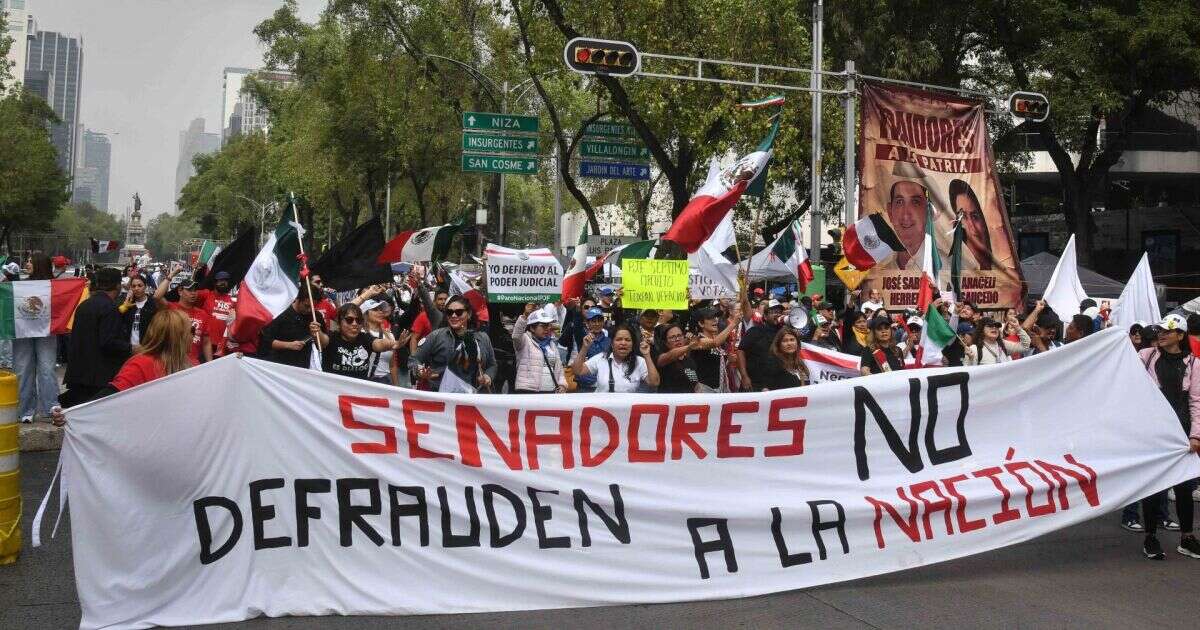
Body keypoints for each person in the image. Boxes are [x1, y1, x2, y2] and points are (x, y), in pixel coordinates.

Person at [50, 309, 197, 426]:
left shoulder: (193, 364)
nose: (194, 336)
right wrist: (70, 414)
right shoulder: (141, 365)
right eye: (192, 331)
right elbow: (107, 398)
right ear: (177, 337)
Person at [1135, 313, 1200, 560]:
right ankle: (1150, 536)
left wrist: (1195, 435)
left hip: (1181, 434)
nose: (1161, 335)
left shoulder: (1194, 364)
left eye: (1167, 331)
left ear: (1180, 335)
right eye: (1159, 331)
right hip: (1152, 433)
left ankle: (1187, 537)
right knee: (1153, 487)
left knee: (1184, 488)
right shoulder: (1145, 356)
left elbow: (1196, 401)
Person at [60, 267, 133, 407]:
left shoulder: (84, 306)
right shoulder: (110, 308)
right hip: (99, 378)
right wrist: (131, 348)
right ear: (118, 285)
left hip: (78, 373)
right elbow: (107, 342)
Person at [410, 295, 497, 391]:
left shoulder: (483, 338)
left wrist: (488, 376)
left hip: (472, 399)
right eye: (449, 312)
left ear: (469, 314)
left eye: (459, 312)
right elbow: (414, 359)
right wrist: (420, 371)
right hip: (441, 397)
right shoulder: (436, 336)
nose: (454, 315)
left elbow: (492, 364)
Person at [12, 253, 60, 422]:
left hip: (46, 332)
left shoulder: (55, 286)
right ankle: (24, 410)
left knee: (47, 369)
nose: (27, 263)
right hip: (22, 331)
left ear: (40, 264)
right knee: (23, 369)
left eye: (31, 261)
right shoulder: (18, 285)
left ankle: (51, 408)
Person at [311, 303, 406, 380]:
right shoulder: (332, 337)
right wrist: (317, 332)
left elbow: (379, 344)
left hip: (357, 395)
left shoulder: (364, 338)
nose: (354, 324)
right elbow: (322, 341)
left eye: (358, 320)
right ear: (339, 323)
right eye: (349, 320)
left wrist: (394, 344)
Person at [572, 324, 659, 393]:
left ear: (633, 344)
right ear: (612, 344)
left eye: (627, 340)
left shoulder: (640, 361)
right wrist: (585, 348)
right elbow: (577, 371)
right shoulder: (601, 358)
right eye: (619, 339)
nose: (623, 343)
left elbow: (654, 382)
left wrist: (647, 355)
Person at [259, 280, 326, 369]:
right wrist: (289, 345)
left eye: (313, 307)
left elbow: (325, 343)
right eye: (306, 306)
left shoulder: (316, 316)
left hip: (303, 368)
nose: (310, 310)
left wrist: (319, 333)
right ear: (298, 299)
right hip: (279, 366)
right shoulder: (281, 313)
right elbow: (266, 342)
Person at [154, 274, 214, 364]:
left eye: (195, 290)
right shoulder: (171, 308)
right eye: (189, 290)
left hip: (193, 365)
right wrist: (172, 274)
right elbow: (157, 296)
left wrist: (210, 363)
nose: (193, 293)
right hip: (171, 363)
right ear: (180, 291)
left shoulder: (203, 314)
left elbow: (206, 342)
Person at [512, 304, 566, 393]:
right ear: (532, 328)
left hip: (550, 393)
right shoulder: (524, 340)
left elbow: (559, 368)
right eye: (544, 325)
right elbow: (516, 336)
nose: (548, 328)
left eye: (548, 325)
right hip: (527, 392)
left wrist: (562, 385)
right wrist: (525, 316)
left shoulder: (551, 344)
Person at [737, 299, 785, 391]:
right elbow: (740, 351)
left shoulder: (784, 333)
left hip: (776, 382)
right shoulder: (755, 331)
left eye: (779, 312)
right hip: (755, 383)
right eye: (774, 312)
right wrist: (744, 376)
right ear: (765, 316)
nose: (778, 314)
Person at [692, 305, 740, 392]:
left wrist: (728, 360)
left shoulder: (720, 342)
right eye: (710, 318)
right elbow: (714, 343)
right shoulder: (697, 341)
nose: (715, 320)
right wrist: (733, 324)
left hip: (722, 387)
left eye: (716, 317)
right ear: (701, 323)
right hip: (706, 389)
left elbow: (715, 364)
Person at [362, 299, 410, 385]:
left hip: (385, 383)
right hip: (364, 383)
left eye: (381, 309)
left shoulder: (389, 336)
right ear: (365, 313)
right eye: (375, 309)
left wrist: (396, 387)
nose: (380, 312)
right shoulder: (359, 334)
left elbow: (392, 365)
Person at [949, 179, 992, 270]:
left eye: (975, 216)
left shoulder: (1004, 266)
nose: (971, 225)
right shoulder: (958, 264)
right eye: (963, 216)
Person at [885, 180, 927, 268]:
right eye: (899, 202)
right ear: (890, 212)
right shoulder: (880, 272)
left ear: (928, 211)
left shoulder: (948, 268)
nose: (906, 215)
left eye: (915, 202)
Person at [196, 270, 237, 355]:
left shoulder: (232, 301)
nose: (223, 283)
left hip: (222, 346)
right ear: (215, 282)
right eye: (221, 280)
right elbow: (189, 293)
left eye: (226, 281)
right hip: (205, 343)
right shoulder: (206, 295)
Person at [964, 315, 1031, 366]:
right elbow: (968, 374)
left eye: (996, 326)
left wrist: (1017, 328)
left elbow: (1025, 346)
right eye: (990, 326)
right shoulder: (974, 349)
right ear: (981, 330)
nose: (994, 328)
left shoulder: (1003, 344)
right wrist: (971, 359)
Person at [574, 307, 611, 393]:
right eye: (593, 321)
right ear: (587, 322)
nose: (597, 324)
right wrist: (576, 308)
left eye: (600, 320)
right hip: (584, 386)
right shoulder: (581, 337)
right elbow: (576, 324)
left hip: (602, 387)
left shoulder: (609, 341)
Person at [656, 323, 700, 393]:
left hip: (690, 401)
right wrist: (689, 347)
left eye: (679, 335)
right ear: (666, 343)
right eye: (672, 337)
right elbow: (671, 355)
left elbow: (696, 385)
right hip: (670, 402)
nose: (677, 339)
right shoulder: (663, 358)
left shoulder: (690, 360)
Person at [119, 274, 158, 348]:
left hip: (147, 347)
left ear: (145, 286)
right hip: (128, 347)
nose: (136, 288)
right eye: (133, 286)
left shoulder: (152, 304)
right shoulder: (126, 304)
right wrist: (124, 306)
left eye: (140, 285)